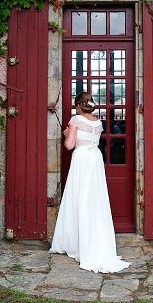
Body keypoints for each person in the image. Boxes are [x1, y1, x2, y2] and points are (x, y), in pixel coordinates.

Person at [49, 92, 131, 273]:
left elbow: (70, 145)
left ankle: (76, 241)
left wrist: (66, 134)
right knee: (95, 199)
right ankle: (96, 239)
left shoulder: (76, 119)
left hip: (82, 159)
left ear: (79, 105)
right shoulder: (98, 121)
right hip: (95, 159)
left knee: (79, 197)